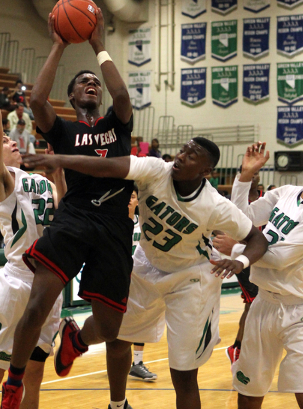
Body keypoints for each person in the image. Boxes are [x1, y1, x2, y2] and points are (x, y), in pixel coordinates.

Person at [22, 136, 268, 409]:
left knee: (184, 375)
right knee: (115, 340)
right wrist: (60, 160)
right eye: (183, 149)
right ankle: (107, 389)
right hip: (146, 261)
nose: (181, 156)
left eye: (192, 155)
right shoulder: (155, 170)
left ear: (205, 171)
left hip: (190, 276)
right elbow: (108, 166)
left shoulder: (215, 205)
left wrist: (242, 261)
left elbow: (258, 240)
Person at [0, 7, 136, 409]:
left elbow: (123, 95)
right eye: (83, 83)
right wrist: (59, 43)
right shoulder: (63, 130)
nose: (91, 83)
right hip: (75, 216)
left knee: (111, 328)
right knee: (39, 304)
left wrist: (97, 45)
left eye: (95, 81)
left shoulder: (117, 123)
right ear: (73, 97)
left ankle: (76, 339)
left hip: (113, 223)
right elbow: (37, 98)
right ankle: (15, 380)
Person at [0, 50, 66, 409]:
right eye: (9, 143)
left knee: (34, 376)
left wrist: (58, 172)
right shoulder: (0, 180)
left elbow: (64, 209)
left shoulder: (37, 178)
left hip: (50, 281)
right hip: (18, 282)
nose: (14, 142)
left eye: (14, 141)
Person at [228, 142, 303, 409]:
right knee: (248, 391)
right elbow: (241, 219)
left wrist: (235, 249)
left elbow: (281, 259)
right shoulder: (287, 193)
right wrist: (245, 176)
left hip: (299, 311)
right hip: (264, 304)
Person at [213, 167, 263, 364]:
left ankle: (240, 348)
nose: (255, 174)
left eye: (257, 172)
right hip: (243, 254)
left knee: (256, 303)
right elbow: (219, 225)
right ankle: (239, 349)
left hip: (260, 253)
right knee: (253, 302)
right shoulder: (233, 200)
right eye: (251, 172)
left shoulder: (266, 198)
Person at [128, 184, 157, 382]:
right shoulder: (115, 220)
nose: (129, 199)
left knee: (140, 319)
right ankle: (118, 359)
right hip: (119, 276)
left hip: (139, 279)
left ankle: (137, 363)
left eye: (132, 196)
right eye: (127, 196)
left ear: (138, 200)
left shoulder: (145, 221)